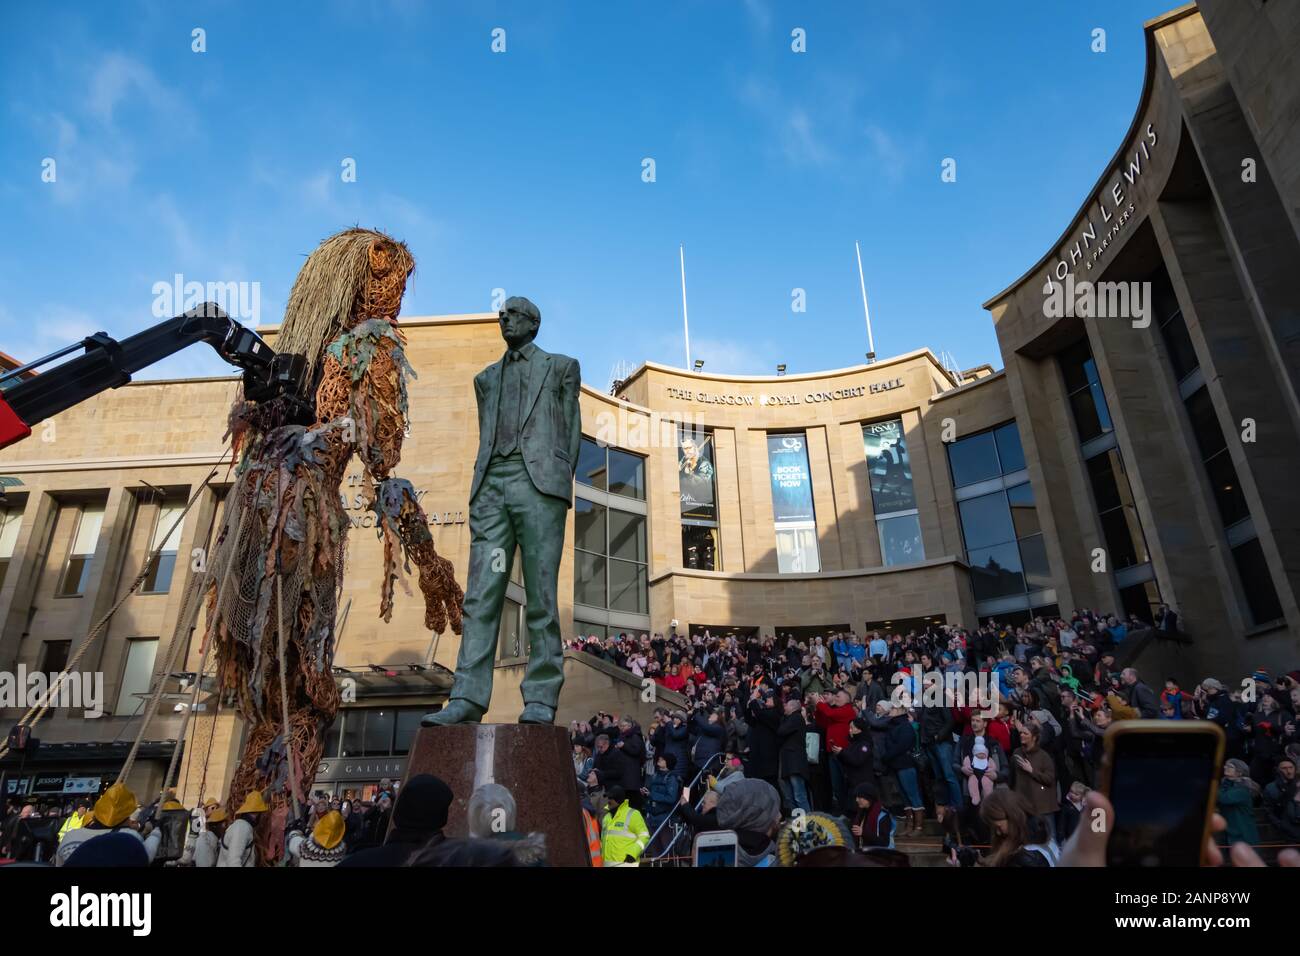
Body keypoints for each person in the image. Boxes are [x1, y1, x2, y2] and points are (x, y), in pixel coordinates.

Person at [337, 774, 454, 867]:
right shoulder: (462, 857)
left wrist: (388, 810)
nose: (383, 786)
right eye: (382, 784)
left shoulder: (357, 861)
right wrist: (376, 806)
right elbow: (366, 817)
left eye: (385, 784)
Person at [55, 783, 161, 866]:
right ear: (125, 818)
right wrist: (156, 831)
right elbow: (147, 856)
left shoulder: (71, 836)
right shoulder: (128, 837)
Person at [715, 778, 782, 867]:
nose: (780, 816)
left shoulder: (716, 855)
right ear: (756, 816)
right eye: (773, 809)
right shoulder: (781, 857)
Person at [881, 701, 925, 834]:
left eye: (894, 708)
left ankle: (918, 826)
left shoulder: (905, 726)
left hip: (905, 764)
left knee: (912, 794)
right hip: (895, 764)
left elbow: (901, 745)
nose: (891, 710)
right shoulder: (892, 726)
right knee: (904, 796)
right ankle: (909, 825)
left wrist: (886, 756)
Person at [978, 790, 1053, 867]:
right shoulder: (1039, 834)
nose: (998, 833)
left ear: (1011, 816)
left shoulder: (1026, 856)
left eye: (998, 827)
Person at [1012, 721, 1059, 843]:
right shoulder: (1017, 753)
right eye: (1021, 733)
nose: (1022, 735)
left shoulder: (1044, 756)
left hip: (1043, 806)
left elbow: (1050, 779)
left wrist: (1032, 771)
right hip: (1024, 805)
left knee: (1050, 839)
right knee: (1027, 840)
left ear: (1034, 737)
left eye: (1025, 733)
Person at [776, 696, 812, 813]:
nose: (784, 707)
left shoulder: (796, 718)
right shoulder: (790, 719)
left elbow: (781, 731)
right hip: (789, 762)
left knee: (799, 795)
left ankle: (807, 823)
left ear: (792, 707)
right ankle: (798, 824)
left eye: (786, 705)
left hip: (795, 763)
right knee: (790, 796)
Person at [600, 785, 649, 867]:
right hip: (607, 864)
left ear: (618, 800)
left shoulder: (633, 814)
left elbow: (644, 836)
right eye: (608, 798)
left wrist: (633, 854)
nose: (608, 800)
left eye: (611, 798)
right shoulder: (606, 817)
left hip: (626, 863)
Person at [1216, 758, 1260, 849]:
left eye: (1230, 766)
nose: (1225, 767)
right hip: (1230, 832)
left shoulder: (1243, 789)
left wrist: (1223, 783)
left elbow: (1223, 798)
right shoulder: (1229, 786)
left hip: (1243, 834)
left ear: (1239, 772)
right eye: (1225, 765)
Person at [218, 790, 268, 867]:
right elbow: (233, 861)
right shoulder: (242, 827)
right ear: (256, 814)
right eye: (261, 814)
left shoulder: (242, 826)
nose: (262, 818)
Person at [849, 781, 895, 850]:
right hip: (864, 853)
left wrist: (863, 833)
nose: (856, 800)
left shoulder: (883, 816)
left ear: (868, 798)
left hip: (879, 855)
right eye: (856, 797)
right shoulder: (861, 813)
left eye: (860, 797)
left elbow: (884, 842)